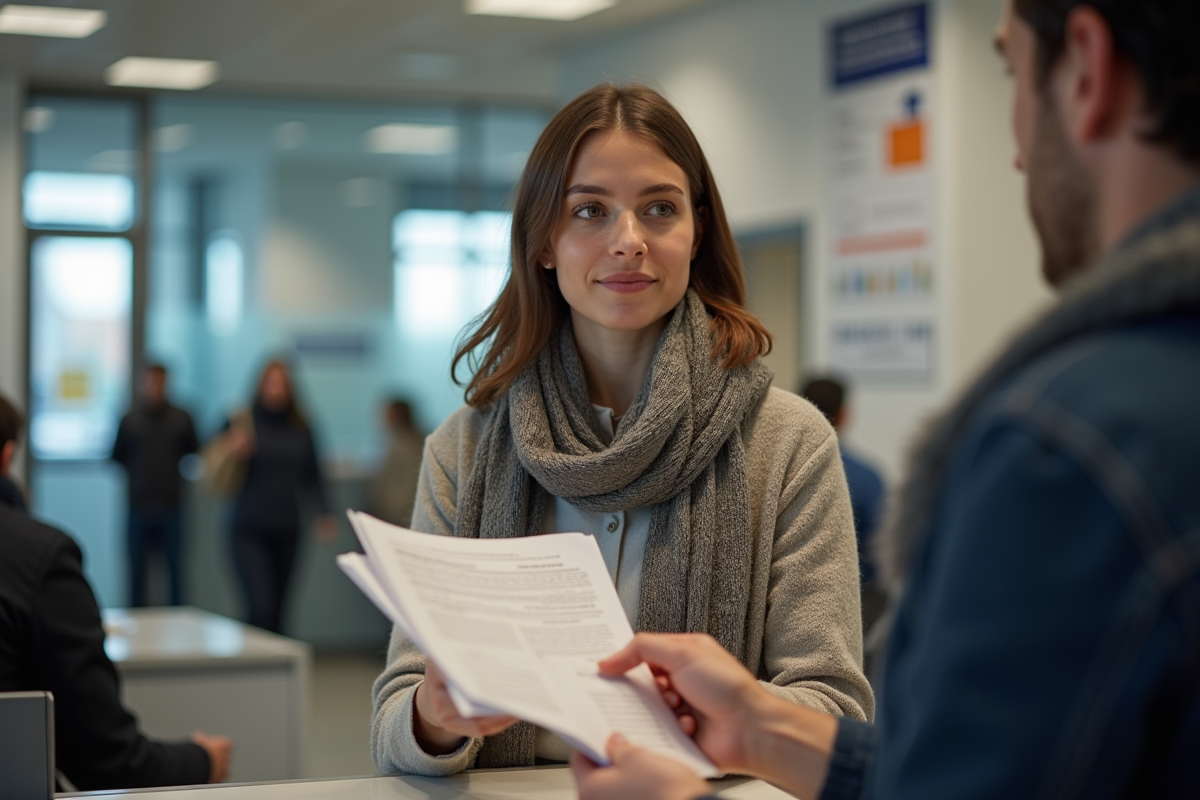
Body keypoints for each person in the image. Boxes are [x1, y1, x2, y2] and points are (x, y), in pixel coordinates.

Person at [569, 1, 1200, 798]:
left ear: (1087, 66)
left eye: (1008, 71)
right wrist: (766, 728)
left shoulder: (1069, 448)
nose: (1011, 152)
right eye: (589, 210)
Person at [371, 83, 872, 777]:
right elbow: (399, 713)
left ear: (696, 231)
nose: (628, 241)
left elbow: (835, 709)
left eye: (659, 209)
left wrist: (720, 720)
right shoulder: (466, 446)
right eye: (590, 211)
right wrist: (434, 719)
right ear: (545, 242)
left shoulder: (787, 442)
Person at [0, 392, 233, 790]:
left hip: (168, 505)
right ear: (7, 456)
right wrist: (200, 761)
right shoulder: (38, 556)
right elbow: (104, 758)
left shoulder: (179, 418)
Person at [213, 359, 335, 633]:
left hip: (287, 527)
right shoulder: (241, 421)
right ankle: (253, 669)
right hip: (247, 527)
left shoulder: (301, 425)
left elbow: (313, 472)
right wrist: (231, 448)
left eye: (282, 383)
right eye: (271, 382)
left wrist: (324, 512)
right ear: (259, 385)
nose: (276, 389)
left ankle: (280, 674)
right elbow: (208, 457)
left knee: (281, 608)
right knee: (260, 605)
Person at [111, 363, 199, 607]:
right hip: (138, 507)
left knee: (176, 575)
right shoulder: (130, 420)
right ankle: (137, 628)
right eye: (149, 380)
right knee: (137, 576)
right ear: (141, 383)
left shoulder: (181, 419)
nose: (154, 387)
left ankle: (179, 628)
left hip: (172, 508)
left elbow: (194, 451)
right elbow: (116, 456)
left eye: (159, 381)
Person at [799, 377, 885, 584]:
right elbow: (880, 554)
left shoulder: (776, 475)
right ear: (843, 414)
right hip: (856, 599)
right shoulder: (867, 480)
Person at [366, 397, 423, 527]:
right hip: (398, 514)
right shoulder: (398, 442)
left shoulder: (405, 446)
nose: (383, 419)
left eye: (387, 414)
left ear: (397, 416)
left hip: (398, 517)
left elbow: (407, 485)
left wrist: (393, 510)